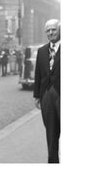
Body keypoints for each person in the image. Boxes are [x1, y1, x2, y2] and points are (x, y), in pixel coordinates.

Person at [33, 19, 61, 163]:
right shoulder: (42, 51)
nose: (51, 33)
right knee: (51, 133)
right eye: (48, 30)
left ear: (60, 30)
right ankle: (53, 161)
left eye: (54, 29)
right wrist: (37, 96)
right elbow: (38, 74)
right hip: (47, 97)